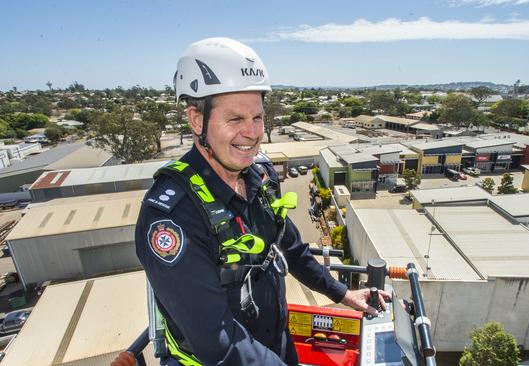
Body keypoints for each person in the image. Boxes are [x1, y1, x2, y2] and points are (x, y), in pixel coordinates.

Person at [135, 37, 388, 366]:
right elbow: (218, 342)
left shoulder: (261, 175)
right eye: (235, 119)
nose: (252, 133)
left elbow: (292, 248)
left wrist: (342, 293)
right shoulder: (172, 216)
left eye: (257, 118)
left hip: (276, 349)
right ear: (197, 120)